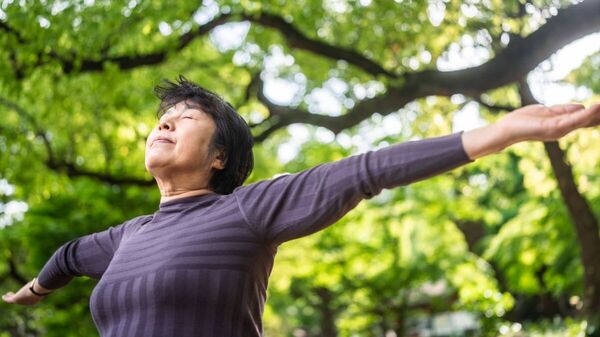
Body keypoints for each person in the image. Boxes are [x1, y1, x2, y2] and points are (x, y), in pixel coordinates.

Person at [2, 76, 599, 337]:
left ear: (218, 158)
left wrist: (503, 132)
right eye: (164, 116)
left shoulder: (246, 211)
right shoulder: (126, 236)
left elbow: (364, 172)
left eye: (187, 119)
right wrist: (33, 289)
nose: (166, 121)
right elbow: (72, 255)